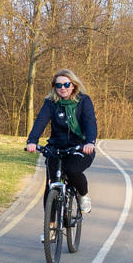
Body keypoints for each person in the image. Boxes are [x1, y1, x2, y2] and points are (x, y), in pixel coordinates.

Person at [25, 68, 98, 214]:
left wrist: (90, 142)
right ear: (54, 87)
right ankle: (51, 227)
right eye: (58, 85)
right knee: (51, 184)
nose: (62, 88)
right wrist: (32, 141)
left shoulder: (84, 101)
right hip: (56, 147)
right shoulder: (50, 103)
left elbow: (90, 122)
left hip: (80, 147)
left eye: (66, 84)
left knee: (72, 170)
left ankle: (83, 195)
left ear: (73, 85)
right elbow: (41, 121)